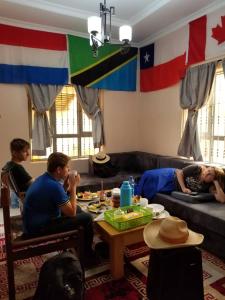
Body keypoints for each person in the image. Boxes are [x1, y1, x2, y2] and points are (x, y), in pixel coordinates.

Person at [23, 152, 96, 262]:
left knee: (80, 210)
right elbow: (72, 213)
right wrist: (73, 186)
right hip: (38, 228)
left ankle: (79, 245)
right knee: (87, 218)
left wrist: (65, 187)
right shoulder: (54, 186)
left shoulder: (44, 178)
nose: (69, 169)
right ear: (58, 170)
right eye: (67, 167)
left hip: (34, 221)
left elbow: (56, 199)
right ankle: (87, 255)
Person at [135, 164, 225, 203]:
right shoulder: (197, 169)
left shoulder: (208, 187)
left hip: (172, 186)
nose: (207, 173)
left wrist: (216, 182)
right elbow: (179, 172)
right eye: (208, 170)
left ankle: (136, 195)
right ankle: (133, 194)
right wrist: (183, 188)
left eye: (210, 175)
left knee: (151, 188)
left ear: (213, 179)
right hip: (171, 175)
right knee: (149, 175)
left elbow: (222, 199)